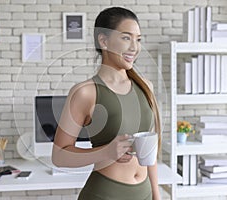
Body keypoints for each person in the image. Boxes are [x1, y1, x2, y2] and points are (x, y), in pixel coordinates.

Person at [52, 7, 161, 200]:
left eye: (138, 39)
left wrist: (156, 195)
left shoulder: (145, 87)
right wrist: (106, 152)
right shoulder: (85, 92)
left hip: (144, 194)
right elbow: (59, 156)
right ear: (103, 41)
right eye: (126, 38)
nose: (134, 47)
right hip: (105, 194)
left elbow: (149, 150)